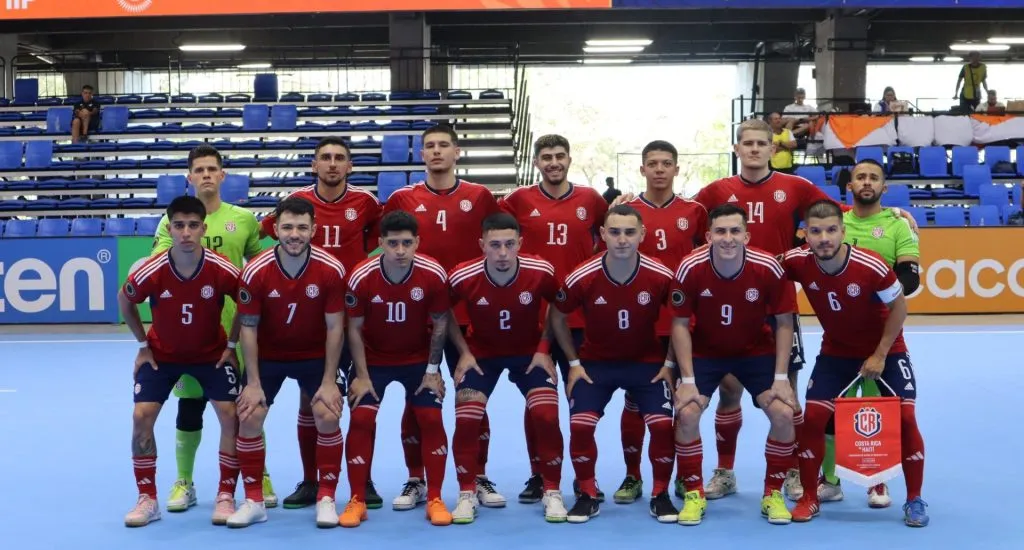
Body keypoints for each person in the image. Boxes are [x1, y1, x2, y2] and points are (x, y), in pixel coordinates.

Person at [685, 118, 918, 501]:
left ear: (772, 148)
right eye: (748, 143)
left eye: (762, 143)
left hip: (777, 309)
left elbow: (833, 212)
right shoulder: (715, 191)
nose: (756, 149)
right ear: (737, 149)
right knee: (728, 391)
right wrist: (628, 203)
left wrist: (887, 213)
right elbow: (681, 220)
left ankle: (793, 469)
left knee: (786, 393)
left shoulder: (795, 187)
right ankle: (725, 471)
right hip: (725, 305)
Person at [782, 200, 929, 528]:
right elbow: (762, 268)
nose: (824, 238)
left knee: (905, 417)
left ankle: (914, 499)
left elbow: (899, 308)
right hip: (836, 353)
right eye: (816, 231)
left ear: (843, 232)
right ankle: (809, 496)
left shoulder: (871, 264)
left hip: (887, 351)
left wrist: (879, 354)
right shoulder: (796, 261)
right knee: (814, 417)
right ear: (804, 235)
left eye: (831, 230)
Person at [259, 136, 383, 509]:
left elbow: (377, 242)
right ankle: (311, 481)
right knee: (310, 402)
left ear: (350, 166)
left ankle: (364, 480)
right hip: (313, 321)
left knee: (361, 400)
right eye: (325, 158)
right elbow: (270, 232)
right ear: (314, 165)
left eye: (339, 158)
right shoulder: (296, 204)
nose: (332, 164)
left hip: (353, 318)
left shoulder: (367, 203)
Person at [382, 124, 502, 510]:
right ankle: (416, 479)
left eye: (443, 146)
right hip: (419, 317)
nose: (436, 152)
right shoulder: (402, 197)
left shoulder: (480, 197)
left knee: (473, 398)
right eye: (429, 146)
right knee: (419, 398)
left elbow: (501, 241)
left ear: (457, 152)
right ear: (421, 153)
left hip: (471, 315)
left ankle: (477, 475)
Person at [151, 145, 271, 513]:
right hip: (188, 337)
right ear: (189, 177)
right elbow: (158, 266)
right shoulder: (172, 222)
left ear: (223, 176)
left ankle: (258, 473)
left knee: (246, 408)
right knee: (190, 408)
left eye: (211, 169)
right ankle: (184, 482)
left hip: (237, 334)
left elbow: (263, 264)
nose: (205, 175)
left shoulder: (244, 220)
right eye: (198, 170)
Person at [670, 204, 799, 526]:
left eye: (735, 231)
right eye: (721, 231)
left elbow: (785, 322)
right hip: (706, 352)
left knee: (784, 413)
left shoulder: (768, 266)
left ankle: (773, 493)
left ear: (747, 235)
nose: (728, 239)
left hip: (756, 352)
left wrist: (782, 377)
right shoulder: (690, 267)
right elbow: (680, 324)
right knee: (686, 413)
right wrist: (686, 379)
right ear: (708, 235)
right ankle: (693, 493)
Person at [120, 196, 243, 527]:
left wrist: (232, 344)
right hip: (162, 355)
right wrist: (143, 344)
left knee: (231, 416)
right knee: (141, 416)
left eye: (193, 225)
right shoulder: (153, 268)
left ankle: (226, 495)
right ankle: (147, 498)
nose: (186, 232)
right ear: (169, 229)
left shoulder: (221, 267)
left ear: (203, 228)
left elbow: (247, 300)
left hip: (211, 354)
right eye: (179, 226)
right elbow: (126, 299)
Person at [551, 204, 678, 524]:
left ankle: (660, 494)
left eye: (630, 232)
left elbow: (682, 316)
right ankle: (587, 494)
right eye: (615, 232)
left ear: (642, 235)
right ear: (603, 235)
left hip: (647, 364)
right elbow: (557, 314)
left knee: (662, 426)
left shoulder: (662, 273)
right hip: (596, 365)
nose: (623, 239)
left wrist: (670, 362)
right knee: (580, 425)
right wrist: (574, 362)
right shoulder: (583, 275)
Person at [498, 134, 608, 503]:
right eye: (546, 157)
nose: (554, 162)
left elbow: (611, 243)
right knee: (538, 404)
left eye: (560, 155)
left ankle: (582, 476)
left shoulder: (591, 200)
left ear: (570, 159)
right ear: (537, 162)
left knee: (582, 401)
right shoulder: (517, 200)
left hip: (581, 319)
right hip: (533, 318)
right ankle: (538, 474)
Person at [228, 198, 349, 528]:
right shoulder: (256, 270)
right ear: (275, 229)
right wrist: (252, 383)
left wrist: (328, 380)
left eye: (301, 227)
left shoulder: (331, 269)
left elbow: (336, 326)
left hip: (315, 357)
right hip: (269, 357)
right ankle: (254, 500)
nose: (294, 234)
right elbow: (248, 329)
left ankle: (325, 497)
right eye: (287, 227)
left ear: (313, 230)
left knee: (327, 412)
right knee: (249, 416)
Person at [812, 159, 921, 507]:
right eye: (860, 177)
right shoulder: (835, 223)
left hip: (882, 333)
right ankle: (829, 480)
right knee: (828, 412)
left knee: (881, 411)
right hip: (840, 337)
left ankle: (878, 482)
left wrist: (868, 289)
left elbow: (911, 278)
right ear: (850, 186)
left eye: (874, 177)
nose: (867, 182)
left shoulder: (897, 225)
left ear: (884, 188)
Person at [447, 213, 567, 524]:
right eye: (495, 245)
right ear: (482, 245)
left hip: (529, 355)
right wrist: (463, 352)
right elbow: (440, 309)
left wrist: (544, 350)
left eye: (509, 244)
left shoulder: (540, 271)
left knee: (546, 414)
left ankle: (552, 491)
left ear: (520, 244)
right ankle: (466, 492)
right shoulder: (463, 275)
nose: (502, 253)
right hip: (481, 356)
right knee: (467, 416)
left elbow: (559, 304)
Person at [341, 210, 453, 527]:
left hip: (417, 360)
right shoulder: (361, 276)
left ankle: (435, 497)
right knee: (362, 417)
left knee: (430, 416)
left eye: (407, 243)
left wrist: (433, 370)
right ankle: (357, 499)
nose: (400, 251)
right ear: (380, 244)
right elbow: (354, 329)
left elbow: (441, 322)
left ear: (417, 242)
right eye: (393, 244)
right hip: (373, 361)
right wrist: (361, 376)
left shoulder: (433, 274)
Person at [619, 140, 706, 504]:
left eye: (665, 163)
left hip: (686, 321)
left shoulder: (696, 211)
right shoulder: (624, 211)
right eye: (652, 163)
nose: (659, 169)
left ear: (676, 169)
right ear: (641, 169)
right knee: (637, 400)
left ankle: (685, 477)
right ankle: (633, 476)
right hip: (639, 321)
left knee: (683, 400)